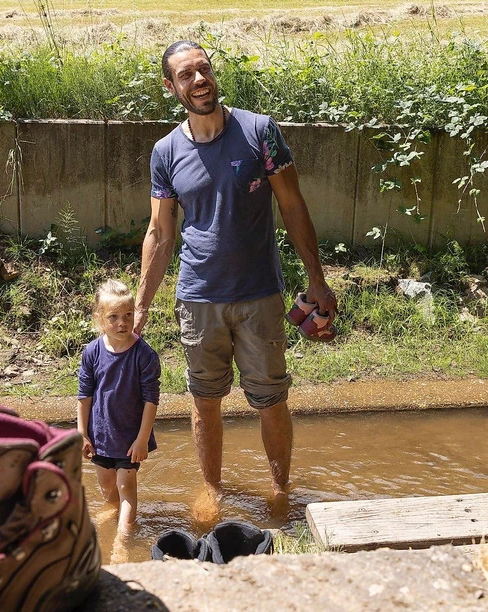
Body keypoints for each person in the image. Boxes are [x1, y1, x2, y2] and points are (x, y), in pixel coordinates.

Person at [133, 40, 338, 500]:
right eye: (186, 75)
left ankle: (280, 493)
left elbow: (292, 205)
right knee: (205, 403)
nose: (199, 79)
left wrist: (316, 278)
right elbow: (160, 233)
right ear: (171, 87)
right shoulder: (165, 152)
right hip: (197, 299)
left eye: (203, 69)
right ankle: (211, 493)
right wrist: (141, 305)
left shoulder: (259, 132)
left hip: (259, 295)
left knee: (271, 399)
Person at [77, 280, 161, 532]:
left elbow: (151, 399)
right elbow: (84, 395)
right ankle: (113, 512)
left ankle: (123, 538)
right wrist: (82, 433)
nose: (122, 323)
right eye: (113, 317)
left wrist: (142, 439)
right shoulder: (92, 352)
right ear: (100, 318)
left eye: (128, 315)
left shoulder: (144, 355)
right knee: (106, 487)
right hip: (100, 434)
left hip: (130, 437)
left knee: (126, 487)